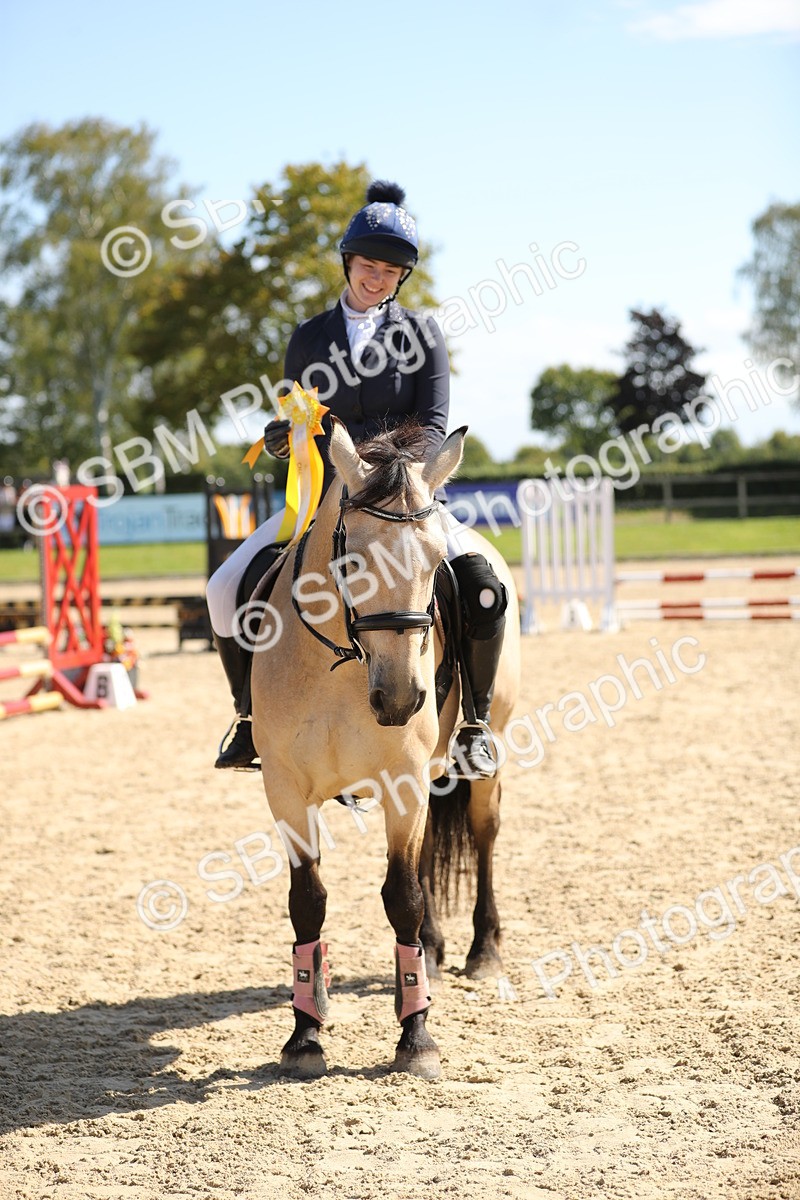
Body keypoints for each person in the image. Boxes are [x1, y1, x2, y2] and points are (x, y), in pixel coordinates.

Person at [206, 181, 507, 776]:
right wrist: (280, 434)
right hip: (324, 498)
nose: (376, 277)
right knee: (225, 587)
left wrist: (388, 475)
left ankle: (473, 722)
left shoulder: (422, 334)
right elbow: (301, 411)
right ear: (349, 263)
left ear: (402, 278)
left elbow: (435, 421)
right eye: (367, 264)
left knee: (482, 584)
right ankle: (247, 720)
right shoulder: (309, 337)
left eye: (390, 270)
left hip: (406, 497)